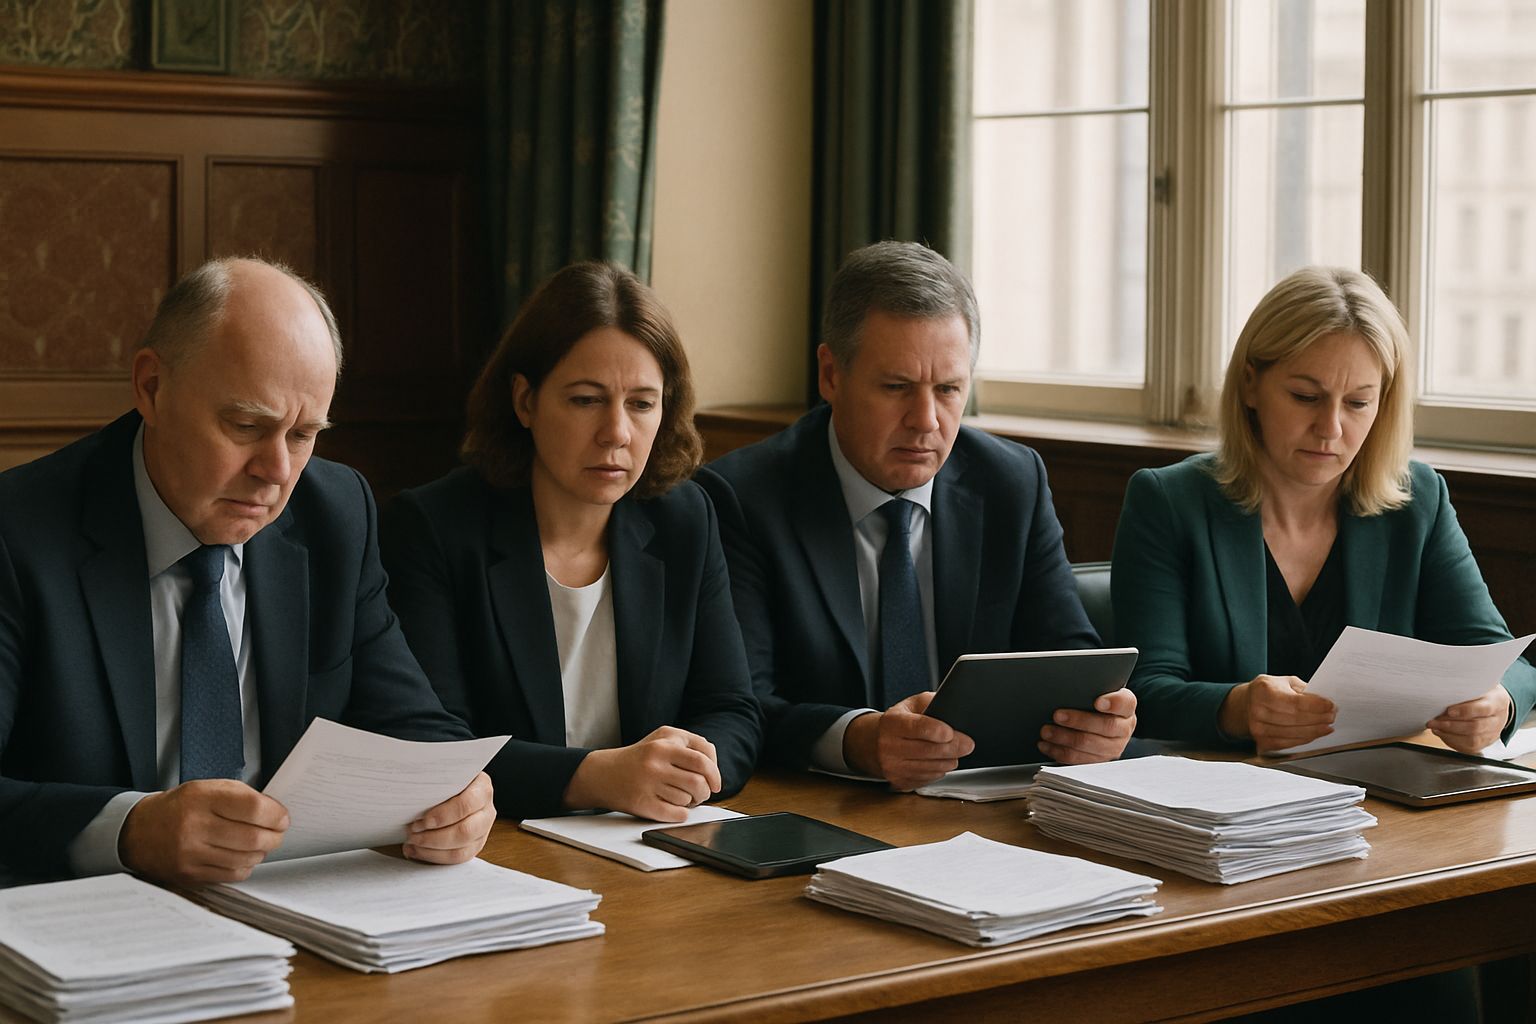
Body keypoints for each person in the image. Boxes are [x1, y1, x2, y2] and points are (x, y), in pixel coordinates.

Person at [0, 257, 494, 887]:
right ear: (151, 387)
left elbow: (412, 723)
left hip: (290, 906)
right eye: (246, 426)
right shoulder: (18, 534)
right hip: (85, 917)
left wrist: (460, 794)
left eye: (304, 433)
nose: (278, 470)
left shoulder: (334, 515)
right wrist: (128, 831)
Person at [696, 241, 1137, 790]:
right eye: (897, 387)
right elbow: (742, 701)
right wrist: (858, 739)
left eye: (949, 389)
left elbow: (1068, 652)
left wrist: (1096, 720)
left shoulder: (1011, 482)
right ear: (831, 374)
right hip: (816, 804)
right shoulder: (741, 497)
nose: (926, 420)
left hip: (985, 799)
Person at [380, 262, 760, 823]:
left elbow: (732, 711)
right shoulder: (434, 527)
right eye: (586, 400)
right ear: (525, 401)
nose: (617, 432)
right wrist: (598, 778)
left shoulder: (685, 519)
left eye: (641, 403)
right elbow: (435, 746)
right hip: (494, 848)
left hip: (648, 841)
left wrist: (687, 769)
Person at [1113, 266, 1535, 753]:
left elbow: (1502, 660)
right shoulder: (1169, 501)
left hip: (1382, 790)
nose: (1330, 428)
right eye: (1305, 397)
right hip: (1226, 796)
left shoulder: (1418, 500)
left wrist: (1497, 702)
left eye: (1358, 403)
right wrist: (1237, 707)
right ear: (1251, 384)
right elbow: (1143, 692)